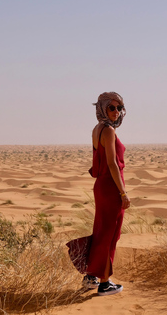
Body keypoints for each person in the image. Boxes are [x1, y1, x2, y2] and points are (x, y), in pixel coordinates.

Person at [66, 92, 130, 296]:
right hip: (111, 187)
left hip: (101, 186)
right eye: (111, 108)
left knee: (102, 230)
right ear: (102, 108)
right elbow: (111, 163)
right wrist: (123, 193)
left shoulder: (97, 129)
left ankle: (91, 276)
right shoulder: (108, 131)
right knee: (111, 233)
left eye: (119, 108)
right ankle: (105, 282)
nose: (116, 112)